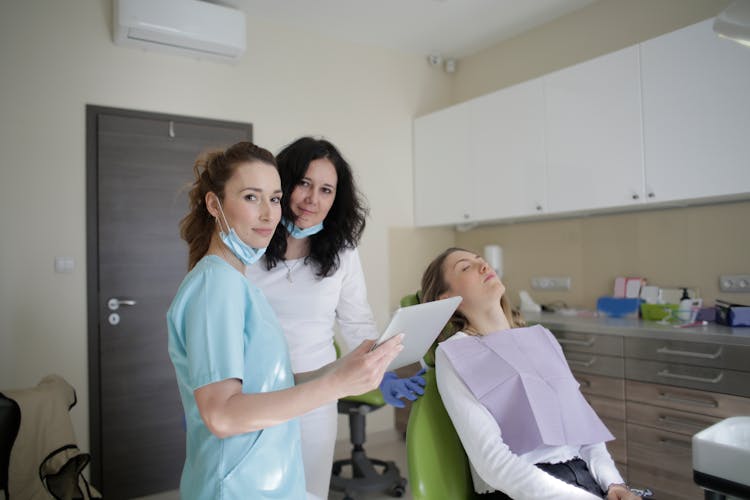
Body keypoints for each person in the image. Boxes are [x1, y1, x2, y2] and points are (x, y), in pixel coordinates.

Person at [166, 141, 403, 500]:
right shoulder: (219, 283)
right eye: (250, 197)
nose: (267, 214)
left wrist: (356, 370)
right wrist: (335, 384)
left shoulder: (237, 281)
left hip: (271, 445)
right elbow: (223, 414)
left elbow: (275, 381)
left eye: (273, 199)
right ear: (215, 204)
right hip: (239, 465)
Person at [246, 137, 425, 500]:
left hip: (317, 393)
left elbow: (357, 323)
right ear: (283, 184)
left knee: (309, 490)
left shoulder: (341, 252)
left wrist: (387, 366)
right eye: (304, 184)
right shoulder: (248, 244)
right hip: (254, 393)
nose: (314, 198)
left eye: (326, 189)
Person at [419, 247, 642, 500]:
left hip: (584, 479)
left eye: (481, 260)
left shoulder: (541, 339)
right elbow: (494, 464)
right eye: (466, 266)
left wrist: (615, 485)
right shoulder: (456, 354)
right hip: (520, 490)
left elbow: (586, 434)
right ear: (446, 298)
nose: (484, 266)